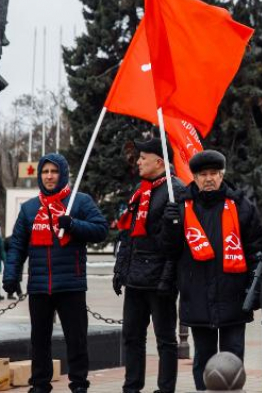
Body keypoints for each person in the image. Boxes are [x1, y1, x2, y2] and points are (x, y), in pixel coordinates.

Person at [161, 150, 262, 391]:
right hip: (196, 295)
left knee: (233, 357)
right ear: (195, 178)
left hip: (234, 296)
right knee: (203, 358)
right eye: (203, 174)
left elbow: (258, 248)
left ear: (222, 175)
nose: (209, 179)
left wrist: (255, 286)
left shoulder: (241, 205)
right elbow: (169, 250)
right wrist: (169, 226)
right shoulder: (180, 207)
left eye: (214, 174)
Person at [4, 153, 108, 393]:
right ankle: (40, 384)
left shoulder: (79, 202)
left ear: (63, 174)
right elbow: (18, 245)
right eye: (45, 172)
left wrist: (72, 224)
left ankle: (79, 384)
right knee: (39, 340)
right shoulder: (29, 208)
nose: (49, 176)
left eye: (54, 171)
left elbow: (101, 230)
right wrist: (11, 275)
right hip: (39, 286)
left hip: (71, 284)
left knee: (77, 339)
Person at [113, 138, 184, 393]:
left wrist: (168, 278)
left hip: (159, 281)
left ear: (159, 161)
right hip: (135, 279)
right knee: (132, 337)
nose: (139, 161)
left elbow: (174, 246)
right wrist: (120, 270)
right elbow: (128, 235)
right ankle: (132, 386)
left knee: (165, 340)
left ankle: (165, 389)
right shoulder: (141, 191)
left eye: (144, 157)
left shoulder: (175, 191)